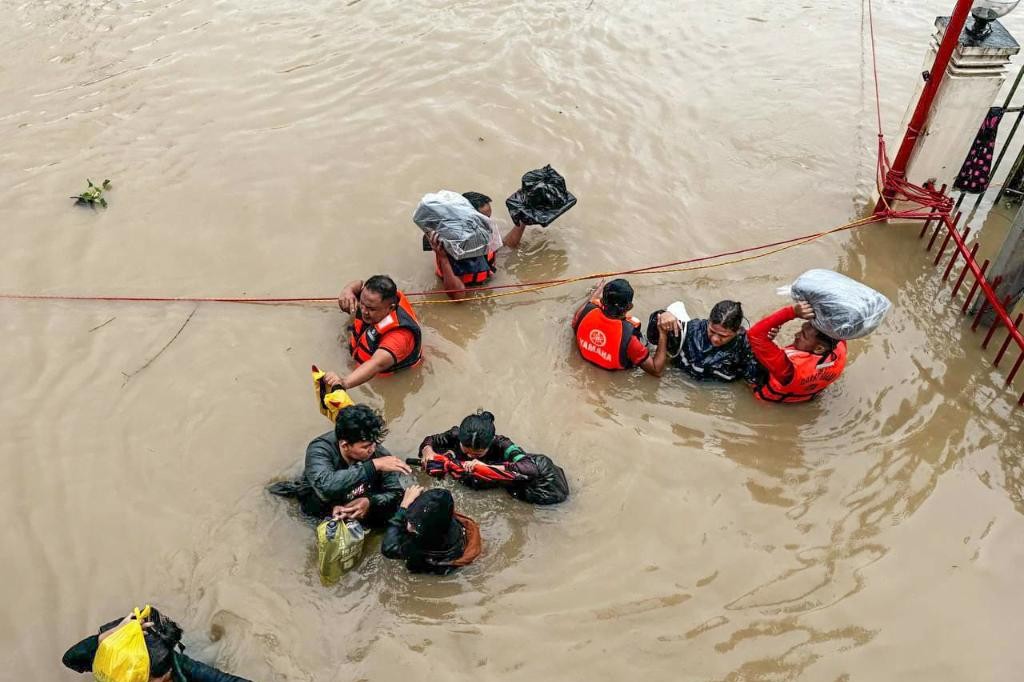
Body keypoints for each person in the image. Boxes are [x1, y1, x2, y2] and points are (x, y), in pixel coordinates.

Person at [269, 404, 410, 527]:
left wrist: (370, 502)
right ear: (345, 445)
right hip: (318, 507)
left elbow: (396, 494)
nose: (372, 450)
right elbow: (325, 485)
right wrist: (372, 466)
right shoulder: (320, 449)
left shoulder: (379, 454)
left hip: (358, 506)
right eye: (366, 446)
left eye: (374, 443)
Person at [62, 606, 250, 682]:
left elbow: (225, 680)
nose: (168, 675)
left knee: (204, 652)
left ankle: (209, 638)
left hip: (193, 667)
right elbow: (70, 660)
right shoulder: (117, 667)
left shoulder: (177, 664)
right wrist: (105, 638)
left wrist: (105, 638)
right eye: (164, 676)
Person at [417, 411, 568, 503]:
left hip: (534, 480)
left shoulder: (502, 444)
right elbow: (430, 440)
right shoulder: (455, 435)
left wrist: (486, 467)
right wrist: (428, 452)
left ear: (490, 444)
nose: (469, 456)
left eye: (477, 454)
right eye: (466, 451)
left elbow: (530, 467)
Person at [426, 191, 533, 301]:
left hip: (486, 281)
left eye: (488, 218)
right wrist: (443, 258)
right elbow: (458, 297)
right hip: (467, 292)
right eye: (483, 219)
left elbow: (504, 248)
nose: (488, 223)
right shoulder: (453, 243)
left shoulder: (483, 230)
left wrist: (522, 221)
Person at [747, 301, 848, 403]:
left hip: (771, 401)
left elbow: (754, 334)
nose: (796, 334)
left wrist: (792, 312)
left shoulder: (788, 368)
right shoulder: (840, 347)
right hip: (808, 397)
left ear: (818, 349)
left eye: (803, 335)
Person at [335, 274, 422, 389]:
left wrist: (343, 384)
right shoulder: (371, 297)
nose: (364, 311)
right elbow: (360, 284)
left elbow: (376, 364)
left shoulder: (400, 336)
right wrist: (348, 290)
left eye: (371, 309)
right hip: (360, 352)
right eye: (362, 304)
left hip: (387, 381)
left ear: (390, 308)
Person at [646, 300, 761, 383]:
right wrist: (663, 316)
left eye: (723, 336)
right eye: (712, 331)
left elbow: (753, 380)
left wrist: (765, 344)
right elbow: (652, 335)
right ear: (708, 321)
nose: (715, 339)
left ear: (737, 331)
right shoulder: (690, 331)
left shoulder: (745, 348)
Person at [571, 278, 669, 375]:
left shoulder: (584, 313)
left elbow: (582, 312)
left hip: (585, 363)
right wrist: (663, 333)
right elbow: (656, 369)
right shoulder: (630, 339)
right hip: (611, 375)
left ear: (602, 301)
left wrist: (595, 292)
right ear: (629, 307)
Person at [381, 485, 481, 574]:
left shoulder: (418, 549)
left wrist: (403, 507)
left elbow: (388, 548)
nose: (409, 525)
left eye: (414, 524)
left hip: (433, 567)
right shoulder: (448, 520)